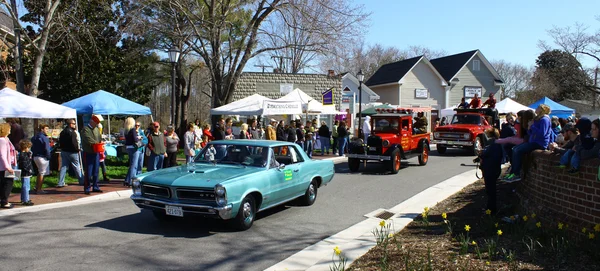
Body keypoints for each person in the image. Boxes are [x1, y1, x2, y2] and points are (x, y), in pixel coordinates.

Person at [502, 105, 553, 183]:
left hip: (540, 143)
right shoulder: (537, 119)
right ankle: (513, 172)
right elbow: (531, 133)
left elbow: (542, 133)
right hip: (533, 141)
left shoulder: (545, 119)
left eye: (538, 108)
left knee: (518, 150)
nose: (536, 109)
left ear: (542, 110)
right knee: (515, 149)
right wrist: (529, 128)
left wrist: (532, 127)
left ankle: (516, 174)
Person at [478, 127, 501, 214]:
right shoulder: (494, 145)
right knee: (490, 191)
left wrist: (482, 153)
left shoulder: (494, 146)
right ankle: (490, 208)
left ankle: (491, 210)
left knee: (491, 191)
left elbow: (485, 155)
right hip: (491, 170)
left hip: (491, 170)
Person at [58, 119, 84, 187]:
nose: (75, 125)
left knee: (64, 166)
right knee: (77, 166)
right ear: (70, 124)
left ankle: (60, 182)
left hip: (64, 151)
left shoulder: (62, 132)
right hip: (72, 151)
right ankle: (81, 180)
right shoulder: (72, 132)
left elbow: (60, 142)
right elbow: (74, 142)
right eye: (74, 123)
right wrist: (77, 149)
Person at [81, 115, 103, 194]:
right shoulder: (85, 129)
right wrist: (96, 144)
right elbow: (88, 139)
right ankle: (87, 188)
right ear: (92, 122)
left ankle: (95, 186)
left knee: (96, 171)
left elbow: (99, 138)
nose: (97, 124)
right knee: (88, 171)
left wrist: (100, 143)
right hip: (88, 152)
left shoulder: (96, 129)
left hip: (96, 153)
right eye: (96, 123)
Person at [0, 123, 16, 209]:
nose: (10, 130)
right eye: (9, 128)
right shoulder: (2, 140)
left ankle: (3, 200)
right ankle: (4, 201)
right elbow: (2, 155)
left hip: (6, 165)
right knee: (7, 183)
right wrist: (7, 167)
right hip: (3, 166)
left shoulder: (6, 139)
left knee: (5, 183)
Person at [31, 123, 51, 194]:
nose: (47, 130)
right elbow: (47, 148)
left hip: (35, 156)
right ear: (42, 129)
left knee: (40, 172)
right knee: (42, 173)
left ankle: (37, 187)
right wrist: (48, 156)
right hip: (42, 156)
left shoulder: (34, 137)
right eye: (46, 129)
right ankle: (39, 189)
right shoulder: (44, 138)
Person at [124, 117, 142, 187]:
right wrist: (139, 137)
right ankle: (131, 181)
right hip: (134, 148)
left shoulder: (126, 130)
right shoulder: (133, 129)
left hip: (128, 147)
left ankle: (127, 180)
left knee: (131, 164)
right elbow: (135, 139)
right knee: (134, 165)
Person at [18, 140, 34, 206]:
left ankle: (23, 198)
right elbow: (25, 165)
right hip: (25, 173)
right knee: (26, 187)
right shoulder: (23, 155)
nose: (29, 149)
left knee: (25, 186)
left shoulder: (23, 154)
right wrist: (29, 170)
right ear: (25, 148)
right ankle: (26, 199)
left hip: (26, 173)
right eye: (28, 147)